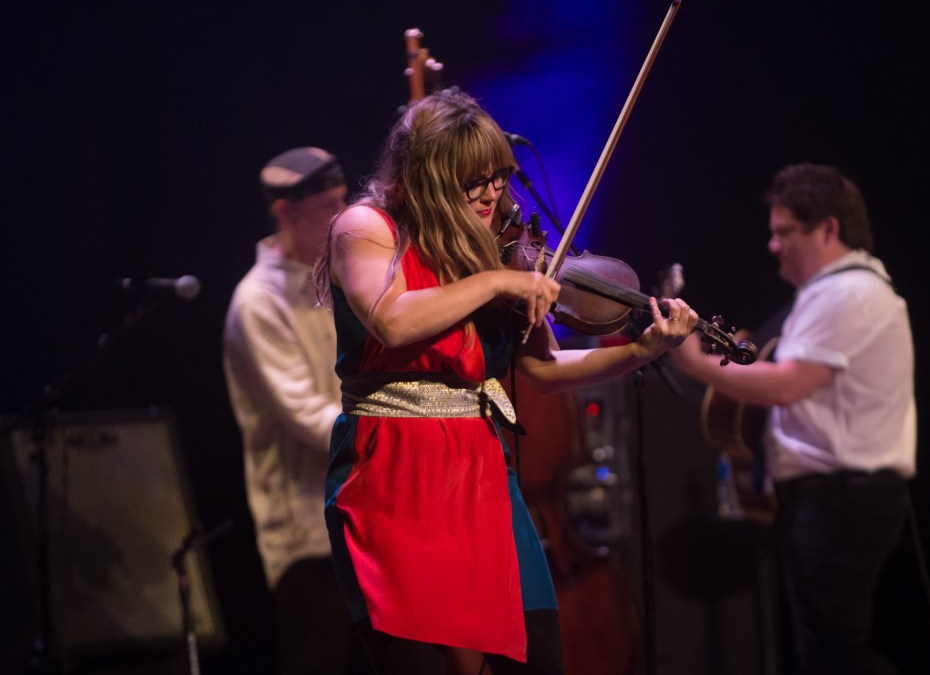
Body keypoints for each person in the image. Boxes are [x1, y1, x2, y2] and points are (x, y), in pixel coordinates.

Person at [310, 87, 699, 675]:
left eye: (499, 176)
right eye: (475, 181)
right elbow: (392, 320)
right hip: (391, 473)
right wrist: (497, 282)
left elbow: (544, 370)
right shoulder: (366, 227)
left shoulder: (496, 250)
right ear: (431, 177)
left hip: (481, 475)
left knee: (537, 656)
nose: (493, 193)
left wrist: (641, 351)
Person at [669, 162, 916, 674]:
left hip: (843, 499)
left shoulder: (846, 293)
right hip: (837, 497)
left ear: (828, 228)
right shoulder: (843, 290)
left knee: (838, 656)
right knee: (829, 653)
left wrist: (695, 364)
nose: (773, 245)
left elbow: (787, 384)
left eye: (785, 232)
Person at [223, 146, 372, 675]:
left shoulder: (345, 275)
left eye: (343, 201)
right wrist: (394, 427)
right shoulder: (257, 302)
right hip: (309, 531)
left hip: (370, 515)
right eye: (329, 207)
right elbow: (307, 414)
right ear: (286, 214)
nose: (344, 217)